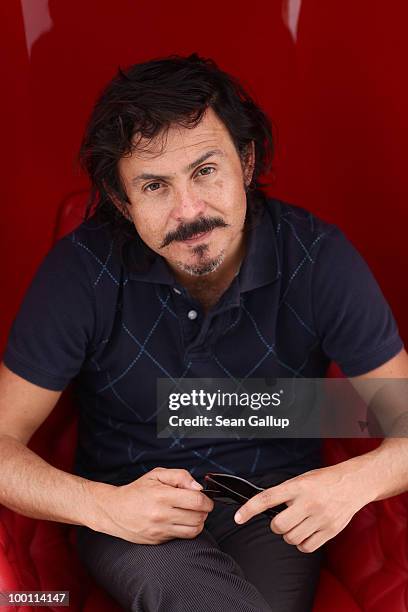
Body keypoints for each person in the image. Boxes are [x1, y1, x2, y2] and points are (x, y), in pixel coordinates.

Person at [0, 53, 407, 612]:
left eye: (205, 170)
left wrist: (351, 482)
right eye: (154, 186)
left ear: (246, 162)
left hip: (271, 510)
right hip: (132, 511)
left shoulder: (317, 259)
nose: (188, 211)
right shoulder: (80, 272)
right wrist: (104, 507)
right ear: (123, 201)